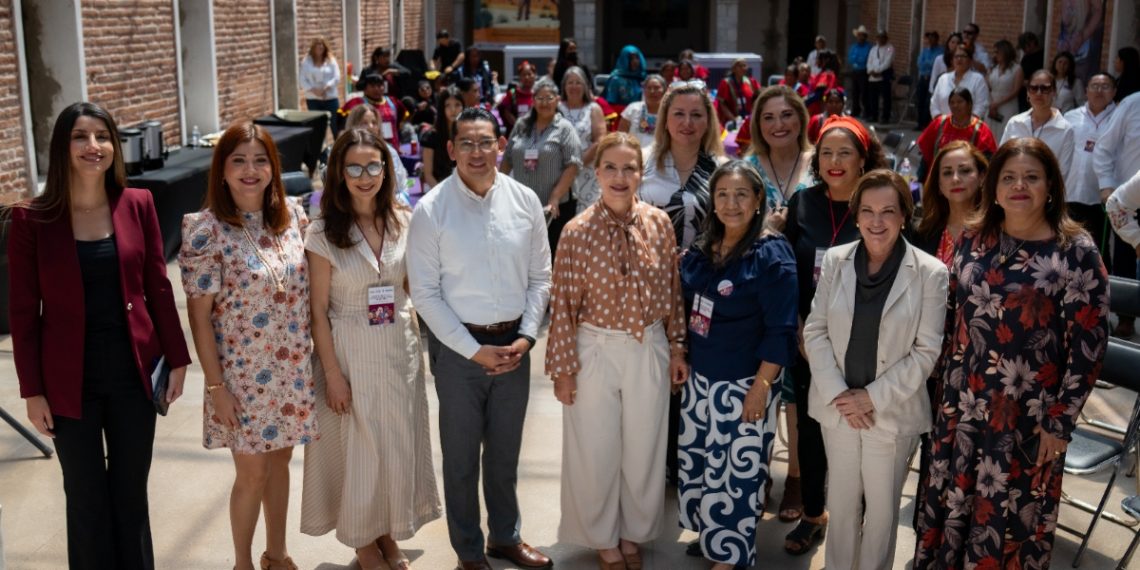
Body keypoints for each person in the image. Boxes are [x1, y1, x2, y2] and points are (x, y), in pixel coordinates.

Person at [8, 101, 191, 570]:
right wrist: (33, 392)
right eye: (80, 137)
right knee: (86, 498)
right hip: (69, 381)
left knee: (131, 496)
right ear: (62, 147)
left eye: (103, 136)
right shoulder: (31, 219)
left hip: (133, 373)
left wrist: (177, 357)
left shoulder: (139, 203)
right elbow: (24, 314)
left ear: (115, 145)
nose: (94, 146)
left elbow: (156, 284)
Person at [914, 137, 1109, 569]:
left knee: (1007, 530)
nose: (1020, 186)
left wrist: (1060, 421)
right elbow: (952, 321)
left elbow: (1089, 347)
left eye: (1032, 177)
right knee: (950, 513)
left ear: (1051, 186)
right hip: (961, 408)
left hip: (1026, 419)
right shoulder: (974, 238)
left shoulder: (1076, 253)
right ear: (995, 187)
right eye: (1009, 177)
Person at [407, 107, 553, 570]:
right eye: (466, 143)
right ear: (450, 150)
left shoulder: (526, 201)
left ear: (500, 146)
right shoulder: (431, 210)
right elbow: (425, 295)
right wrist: (474, 351)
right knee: (461, 458)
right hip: (458, 352)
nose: (476, 151)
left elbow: (541, 279)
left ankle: (505, 537)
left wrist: (527, 337)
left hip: (514, 347)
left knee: (505, 454)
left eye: (484, 141)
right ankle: (468, 552)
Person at [545, 132, 688, 570]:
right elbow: (563, 304)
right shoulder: (576, 230)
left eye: (630, 168)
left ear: (641, 174)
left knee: (644, 448)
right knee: (595, 448)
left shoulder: (659, 223)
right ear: (597, 172)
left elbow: (673, 289)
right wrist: (564, 370)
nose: (621, 177)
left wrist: (678, 346)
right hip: (595, 349)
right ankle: (602, 537)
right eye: (611, 168)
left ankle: (633, 533)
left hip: (649, 345)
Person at [300, 128, 441, 570]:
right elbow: (318, 312)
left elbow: (409, 288)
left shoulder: (403, 219)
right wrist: (333, 374)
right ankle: (363, 541)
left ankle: (387, 532)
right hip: (348, 351)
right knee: (359, 451)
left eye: (374, 166)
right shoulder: (323, 232)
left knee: (394, 446)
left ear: (386, 169)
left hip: (398, 350)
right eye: (355, 167)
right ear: (339, 173)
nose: (365, 177)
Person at [179, 122, 315, 570]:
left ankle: (277, 555)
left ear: (274, 169)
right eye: (238, 160)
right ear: (222, 170)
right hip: (240, 377)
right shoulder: (205, 230)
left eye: (260, 160)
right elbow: (199, 319)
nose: (250, 170)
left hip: (291, 369)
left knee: (281, 465)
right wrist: (217, 388)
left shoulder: (293, 217)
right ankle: (242, 563)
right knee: (252, 473)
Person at [806, 169, 947, 570]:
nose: (876, 221)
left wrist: (871, 397)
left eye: (888, 210)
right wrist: (840, 394)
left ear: (905, 214)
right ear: (855, 215)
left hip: (891, 413)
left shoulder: (930, 273)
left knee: (883, 514)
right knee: (842, 505)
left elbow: (926, 351)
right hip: (838, 410)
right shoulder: (836, 259)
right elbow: (814, 330)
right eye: (867, 210)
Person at [677, 160, 799, 569]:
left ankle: (729, 555)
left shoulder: (770, 254)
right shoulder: (704, 244)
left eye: (741, 194)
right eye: (723, 194)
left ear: (759, 199)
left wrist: (762, 387)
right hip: (701, 380)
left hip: (745, 383)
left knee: (736, 473)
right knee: (702, 463)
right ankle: (712, 535)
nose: (731, 204)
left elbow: (780, 329)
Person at [782, 115, 887, 556]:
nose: (835, 161)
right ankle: (813, 515)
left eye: (845, 152)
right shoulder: (802, 204)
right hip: (811, 341)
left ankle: (856, 521)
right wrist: (801, 331)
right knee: (810, 430)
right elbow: (787, 272)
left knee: (859, 432)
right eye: (826, 152)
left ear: (863, 158)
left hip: (866, 342)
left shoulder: (879, 203)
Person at [639, 82, 726, 252]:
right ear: (665, 120)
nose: (687, 122)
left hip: (706, 272)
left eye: (696, 115)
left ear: (708, 121)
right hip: (648, 271)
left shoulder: (723, 170)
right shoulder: (640, 162)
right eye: (679, 114)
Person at [500, 77, 582, 252]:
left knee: (551, 256)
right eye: (540, 98)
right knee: (522, 255)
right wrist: (498, 188)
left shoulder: (564, 128)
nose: (544, 103)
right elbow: (507, 158)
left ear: (557, 100)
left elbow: (573, 165)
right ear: (533, 100)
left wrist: (555, 197)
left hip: (553, 208)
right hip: (522, 206)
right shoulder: (522, 124)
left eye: (549, 98)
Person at [1094, 90, 1140, 336]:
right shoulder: (1132, 105)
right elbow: (1104, 147)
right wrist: (1107, 184)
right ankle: (1126, 317)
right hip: (1131, 204)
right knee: (1125, 261)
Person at [744, 85, 816, 236]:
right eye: (768, 118)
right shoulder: (747, 169)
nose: (779, 125)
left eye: (787, 115)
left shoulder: (821, 163)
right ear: (758, 125)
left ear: (801, 118)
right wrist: (766, 230)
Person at [1064, 72, 1117, 245]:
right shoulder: (1070, 117)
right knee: (1066, 245)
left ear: (1114, 92)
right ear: (1086, 91)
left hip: (1100, 196)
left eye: (1105, 86)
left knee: (1096, 249)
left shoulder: (1119, 118)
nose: (1099, 90)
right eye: (1094, 86)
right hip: (1069, 193)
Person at [914, 141, 987, 265]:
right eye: (947, 173)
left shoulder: (998, 229)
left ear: (981, 177)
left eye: (965, 171)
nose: (955, 179)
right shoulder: (923, 232)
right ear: (939, 185)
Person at [1001, 70, 1076, 189]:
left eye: (1045, 88)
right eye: (1033, 88)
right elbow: (1001, 161)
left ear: (1054, 92)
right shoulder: (1014, 123)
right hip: (1013, 190)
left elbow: (1062, 173)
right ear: (1027, 93)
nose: (1039, 93)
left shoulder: (1065, 130)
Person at [917, 87, 998, 174]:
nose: (955, 105)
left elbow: (987, 160)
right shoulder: (940, 123)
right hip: (937, 177)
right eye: (952, 102)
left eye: (960, 102)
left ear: (969, 104)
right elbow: (925, 150)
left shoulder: (981, 130)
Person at [560, 67, 607, 213]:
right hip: (560, 173)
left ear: (585, 86)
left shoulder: (593, 108)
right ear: (564, 86)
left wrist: (578, 164)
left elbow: (600, 139)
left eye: (578, 83)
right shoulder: (556, 108)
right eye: (570, 82)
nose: (574, 86)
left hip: (587, 172)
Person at [340, 106, 410, 201]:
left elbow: (400, 185)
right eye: (364, 123)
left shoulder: (389, 151)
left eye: (374, 122)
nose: (370, 127)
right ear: (353, 125)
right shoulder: (341, 152)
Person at [341, 71, 406, 149]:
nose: (377, 89)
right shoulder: (356, 103)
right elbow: (342, 125)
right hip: (367, 147)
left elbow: (401, 120)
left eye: (379, 86)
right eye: (372, 86)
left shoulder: (393, 102)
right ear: (365, 89)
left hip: (392, 146)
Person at [930, 45, 990, 120]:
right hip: (944, 126)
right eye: (956, 56)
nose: (959, 59)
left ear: (970, 60)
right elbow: (934, 104)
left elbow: (981, 105)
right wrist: (940, 120)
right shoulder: (943, 79)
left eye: (963, 56)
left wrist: (968, 123)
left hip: (969, 127)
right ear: (952, 60)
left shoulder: (978, 79)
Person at [422, 86, 464, 189]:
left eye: (457, 105)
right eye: (448, 106)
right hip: (438, 189)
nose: (453, 110)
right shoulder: (431, 136)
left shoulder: (467, 134)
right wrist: (442, 196)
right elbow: (428, 175)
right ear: (442, 108)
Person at [301, 38, 342, 135]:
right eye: (318, 44)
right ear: (313, 47)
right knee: (317, 127)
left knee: (336, 125)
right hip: (313, 99)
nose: (320, 46)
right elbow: (302, 79)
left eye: (322, 44)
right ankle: (319, 149)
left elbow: (337, 77)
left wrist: (326, 87)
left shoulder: (331, 60)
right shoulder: (306, 61)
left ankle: (339, 148)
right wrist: (314, 90)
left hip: (330, 98)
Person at [986, 40, 1024, 141]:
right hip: (992, 104)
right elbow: (988, 87)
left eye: (997, 52)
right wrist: (992, 103)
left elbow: (1015, 91)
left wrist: (998, 103)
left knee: (1005, 132)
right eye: (994, 52)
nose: (995, 55)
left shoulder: (1017, 69)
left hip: (1007, 105)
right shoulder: (993, 68)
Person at [619, 74, 667, 151]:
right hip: (634, 156)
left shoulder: (670, 112)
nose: (652, 91)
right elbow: (621, 137)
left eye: (656, 88)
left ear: (664, 90)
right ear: (644, 90)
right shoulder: (632, 109)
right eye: (648, 88)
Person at [716, 58, 762, 128]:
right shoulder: (726, 83)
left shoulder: (751, 82)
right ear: (733, 69)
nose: (743, 68)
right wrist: (734, 120)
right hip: (731, 123)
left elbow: (758, 98)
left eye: (744, 65)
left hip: (748, 121)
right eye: (740, 66)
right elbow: (722, 105)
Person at [497, 61, 538, 136]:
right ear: (520, 77)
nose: (527, 77)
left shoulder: (539, 93)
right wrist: (518, 124)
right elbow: (506, 111)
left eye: (529, 74)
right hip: (516, 132)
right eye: (523, 75)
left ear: (534, 75)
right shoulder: (512, 93)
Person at [866, 30, 896, 123]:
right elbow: (869, 61)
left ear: (886, 38)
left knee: (886, 98)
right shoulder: (873, 49)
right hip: (872, 77)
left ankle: (885, 117)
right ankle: (874, 116)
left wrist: (878, 71)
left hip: (883, 76)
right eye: (879, 37)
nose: (880, 39)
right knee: (873, 98)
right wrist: (870, 70)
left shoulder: (889, 48)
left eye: (882, 37)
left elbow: (887, 62)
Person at [916, 31, 943, 130]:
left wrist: (926, 64)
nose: (930, 40)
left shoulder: (940, 51)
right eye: (929, 38)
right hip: (923, 78)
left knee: (929, 102)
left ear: (937, 39)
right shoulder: (925, 50)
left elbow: (935, 64)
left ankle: (926, 125)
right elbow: (919, 63)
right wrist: (927, 64)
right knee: (920, 101)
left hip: (932, 79)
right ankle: (919, 123)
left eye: (932, 38)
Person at [805, 50, 841, 116]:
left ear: (825, 60)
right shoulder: (829, 73)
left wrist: (805, 102)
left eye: (818, 58)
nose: (816, 60)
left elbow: (819, 93)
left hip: (819, 110)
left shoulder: (826, 74)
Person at [847, 25, 872, 118]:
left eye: (862, 35)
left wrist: (859, 61)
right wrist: (855, 62)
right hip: (855, 71)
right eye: (859, 35)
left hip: (864, 71)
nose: (860, 37)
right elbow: (851, 58)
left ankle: (866, 112)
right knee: (855, 92)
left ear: (865, 36)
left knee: (864, 93)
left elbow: (866, 58)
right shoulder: (854, 47)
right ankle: (855, 110)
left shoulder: (868, 47)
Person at [1017, 32, 1045, 111]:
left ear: (1032, 43)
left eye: (1025, 47)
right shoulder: (1026, 57)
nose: (1024, 50)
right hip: (1023, 94)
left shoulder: (1041, 56)